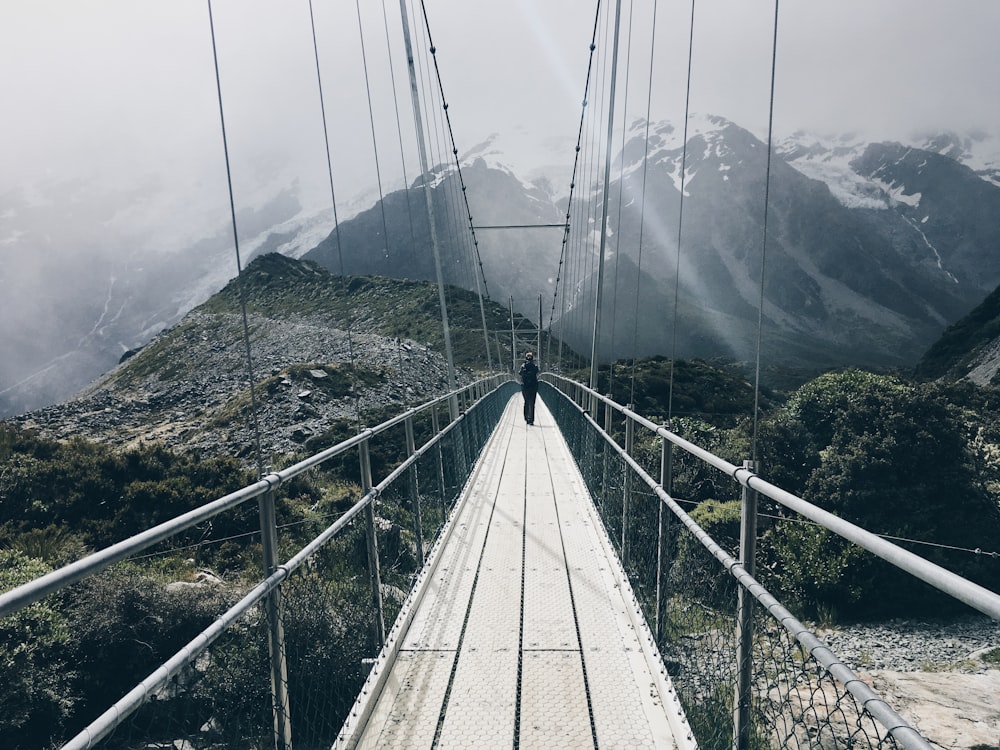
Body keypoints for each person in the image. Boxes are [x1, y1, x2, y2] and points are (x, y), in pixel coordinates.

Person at [518, 351, 539, 425]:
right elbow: (537, 371)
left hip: (525, 386)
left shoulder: (523, 366)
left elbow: (520, 373)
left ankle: (527, 417)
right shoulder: (535, 365)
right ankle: (531, 419)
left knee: (526, 402)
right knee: (532, 403)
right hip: (533, 386)